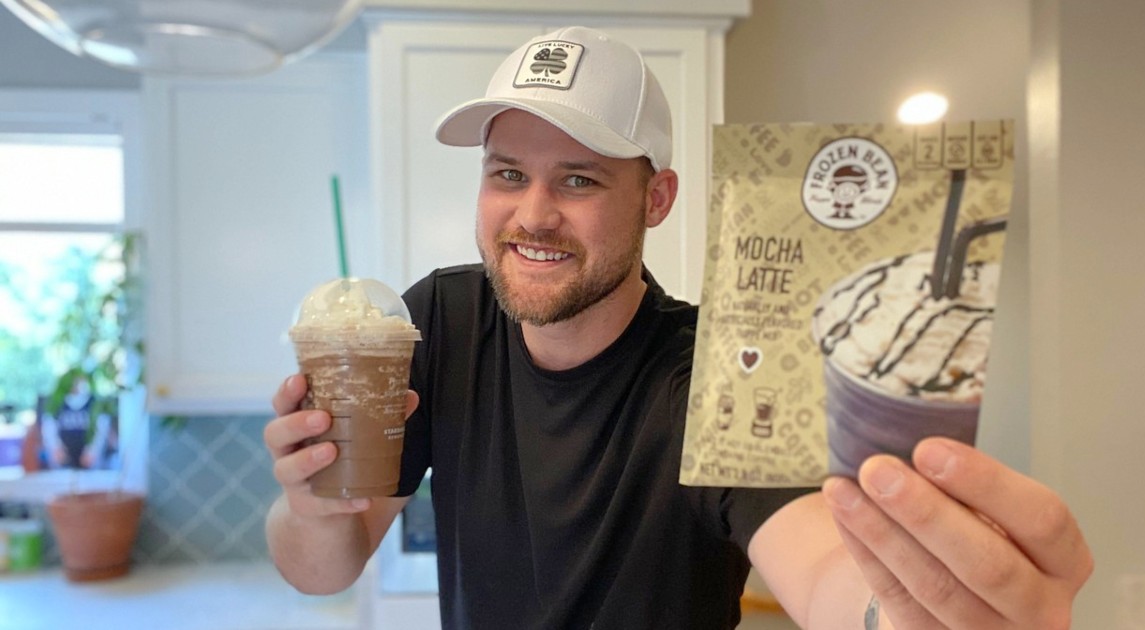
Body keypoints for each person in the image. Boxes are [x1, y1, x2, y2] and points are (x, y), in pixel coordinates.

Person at [264, 26, 1092, 629]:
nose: (533, 215)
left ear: (655, 198)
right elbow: (322, 571)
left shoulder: (719, 370)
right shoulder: (436, 321)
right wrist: (310, 509)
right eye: (507, 174)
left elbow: (824, 565)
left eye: (578, 179)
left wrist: (910, 611)